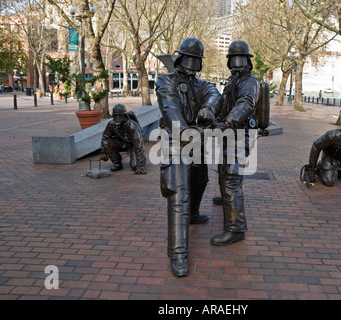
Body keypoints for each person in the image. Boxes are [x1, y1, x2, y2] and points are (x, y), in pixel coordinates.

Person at [155, 38, 220, 277]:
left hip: (197, 142)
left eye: (196, 61)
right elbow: (171, 110)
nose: (191, 65)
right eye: (188, 59)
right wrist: (187, 132)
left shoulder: (200, 83)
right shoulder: (165, 81)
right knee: (179, 193)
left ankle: (193, 214)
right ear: (180, 58)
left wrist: (209, 107)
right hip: (176, 141)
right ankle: (178, 253)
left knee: (200, 180)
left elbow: (213, 91)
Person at [210, 40, 260, 246]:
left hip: (240, 136)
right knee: (225, 172)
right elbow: (223, 105)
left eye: (241, 60)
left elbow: (246, 102)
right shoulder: (232, 82)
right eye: (234, 60)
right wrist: (211, 117)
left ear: (248, 62)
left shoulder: (249, 82)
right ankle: (227, 199)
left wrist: (227, 123)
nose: (237, 65)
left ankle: (236, 228)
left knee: (231, 177)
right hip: (230, 134)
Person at [100, 104, 147, 174]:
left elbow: (138, 146)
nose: (117, 118)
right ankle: (117, 163)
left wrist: (141, 166)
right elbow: (105, 138)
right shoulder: (111, 124)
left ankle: (139, 163)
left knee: (134, 166)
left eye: (119, 116)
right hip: (120, 143)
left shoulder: (132, 125)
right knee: (107, 142)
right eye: (115, 116)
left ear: (124, 115)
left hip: (132, 145)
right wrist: (103, 152)